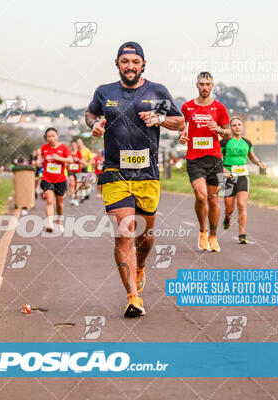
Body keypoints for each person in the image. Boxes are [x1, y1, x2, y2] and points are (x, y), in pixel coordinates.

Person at [85, 41, 184, 318]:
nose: (130, 66)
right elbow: (90, 112)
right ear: (117, 63)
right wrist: (94, 124)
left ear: (143, 64)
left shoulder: (157, 91)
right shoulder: (104, 92)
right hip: (115, 171)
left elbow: (180, 122)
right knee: (125, 234)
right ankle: (133, 297)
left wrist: (159, 118)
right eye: (125, 61)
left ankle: (140, 266)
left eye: (135, 62)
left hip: (147, 175)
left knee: (146, 237)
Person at [179, 71, 231, 252]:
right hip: (194, 159)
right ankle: (202, 231)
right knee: (200, 196)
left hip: (215, 158)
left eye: (207, 84)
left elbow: (229, 132)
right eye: (201, 84)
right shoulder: (187, 107)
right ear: (197, 85)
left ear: (212, 86)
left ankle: (213, 235)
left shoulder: (220, 108)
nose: (204, 87)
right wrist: (182, 136)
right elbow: (180, 127)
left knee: (214, 200)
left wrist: (218, 129)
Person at [220, 117, 266, 244]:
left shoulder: (247, 142)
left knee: (242, 204)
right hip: (228, 176)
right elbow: (217, 158)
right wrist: (223, 170)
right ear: (230, 128)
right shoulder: (224, 142)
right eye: (234, 125)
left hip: (242, 176)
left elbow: (252, 157)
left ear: (242, 127)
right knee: (229, 208)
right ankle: (227, 217)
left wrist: (259, 163)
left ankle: (242, 233)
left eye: (239, 125)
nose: (237, 127)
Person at [38, 127, 72, 232]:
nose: (51, 138)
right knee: (49, 201)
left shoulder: (64, 147)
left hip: (60, 180)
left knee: (59, 203)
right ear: (46, 138)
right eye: (49, 136)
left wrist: (59, 158)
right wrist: (39, 162)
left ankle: (59, 221)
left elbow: (70, 160)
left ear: (57, 136)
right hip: (47, 178)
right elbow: (41, 159)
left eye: (53, 136)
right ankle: (49, 223)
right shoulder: (44, 148)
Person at [68, 141, 84, 206]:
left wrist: (78, 160)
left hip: (78, 171)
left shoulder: (79, 153)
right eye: (72, 145)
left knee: (77, 185)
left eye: (74, 145)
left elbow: (83, 161)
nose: (73, 146)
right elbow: (66, 161)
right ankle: (72, 199)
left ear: (76, 146)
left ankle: (75, 199)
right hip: (70, 170)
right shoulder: (69, 153)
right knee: (72, 183)